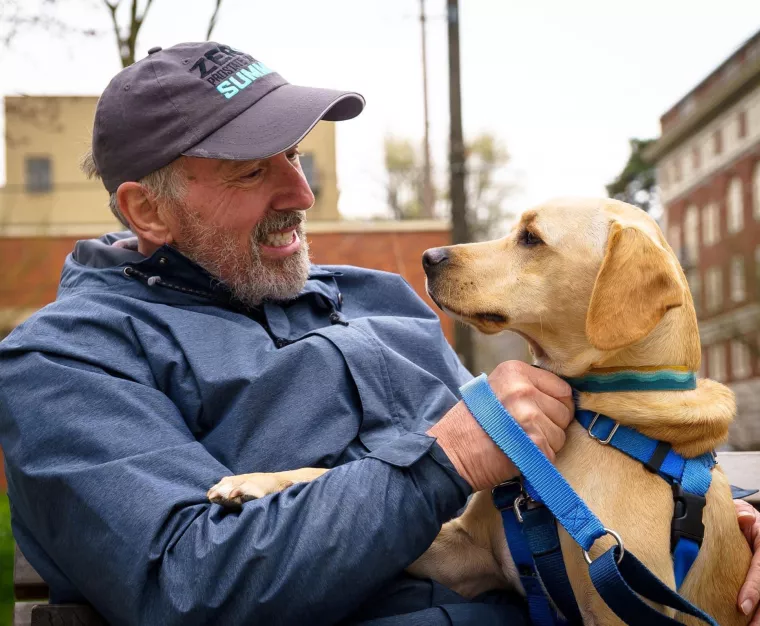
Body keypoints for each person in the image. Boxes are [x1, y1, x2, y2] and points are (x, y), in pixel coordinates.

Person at [0, 41, 759, 626]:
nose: (300, 193)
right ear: (147, 211)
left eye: (295, 157)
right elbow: (188, 579)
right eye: (249, 171)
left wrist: (712, 523)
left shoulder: (378, 298)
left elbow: (567, 472)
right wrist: (446, 460)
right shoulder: (65, 362)